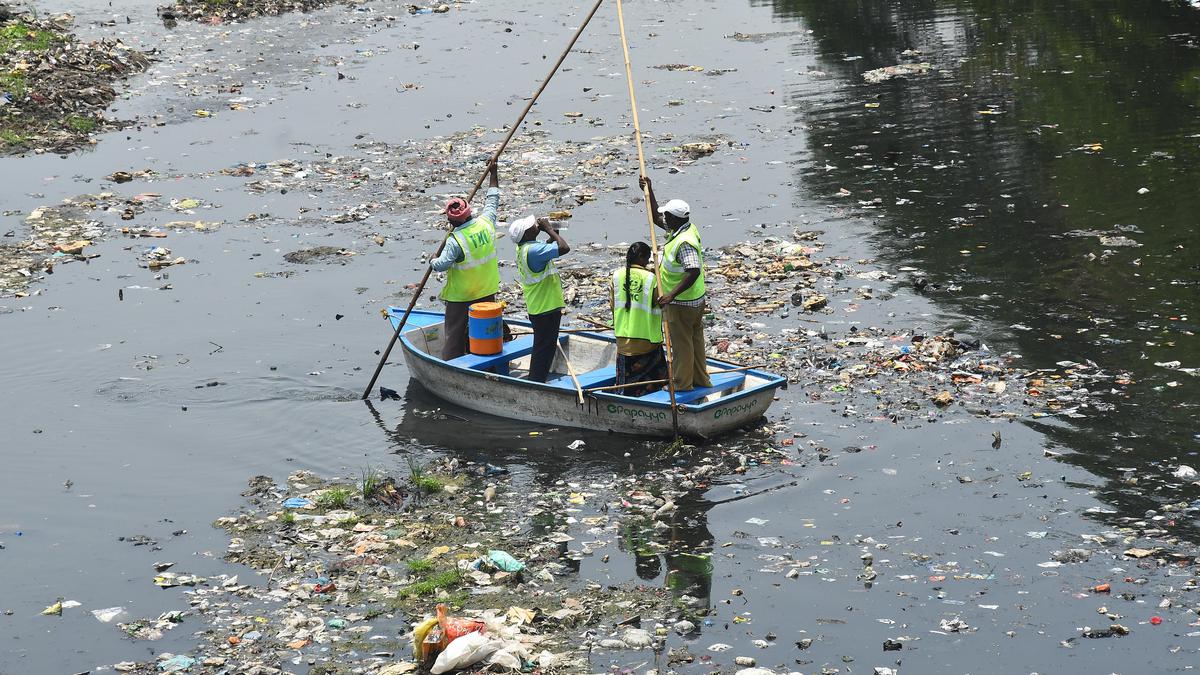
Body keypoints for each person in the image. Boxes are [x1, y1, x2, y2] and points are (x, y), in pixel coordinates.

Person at [638, 175, 711, 391]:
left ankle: (681, 384)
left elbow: (693, 271)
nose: (664, 219)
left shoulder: (684, 242)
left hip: (683, 303)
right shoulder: (685, 228)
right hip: (695, 301)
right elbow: (655, 217)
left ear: (674, 218)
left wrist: (671, 295)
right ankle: (700, 379)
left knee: (681, 345)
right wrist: (649, 190)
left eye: (667, 216)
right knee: (695, 342)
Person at [431, 161, 500, 360]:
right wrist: (493, 173)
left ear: (450, 221)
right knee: (485, 330)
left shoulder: (455, 241)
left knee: (454, 334)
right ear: (469, 212)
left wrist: (433, 260)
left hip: (461, 297)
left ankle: (452, 364)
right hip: (487, 290)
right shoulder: (486, 224)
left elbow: (441, 265)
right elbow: (492, 199)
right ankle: (484, 359)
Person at [509, 214, 570, 382]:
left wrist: (552, 234)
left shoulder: (525, 248)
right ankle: (535, 382)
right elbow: (564, 248)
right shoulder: (534, 250)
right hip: (546, 307)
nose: (535, 225)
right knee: (543, 349)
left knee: (544, 346)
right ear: (526, 235)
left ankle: (538, 379)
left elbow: (546, 247)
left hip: (539, 306)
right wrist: (550, 230)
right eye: (531, 227)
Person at [611, 242, 668, 396]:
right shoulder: (651, 278)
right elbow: (660, 302)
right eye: (647, 259)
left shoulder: (616, 276)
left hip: (624, 340)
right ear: (642, 257)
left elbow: (613, 305)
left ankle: (625, 394)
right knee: (659, 375)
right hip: (648, 340)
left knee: (625, 381)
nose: (648, 262)